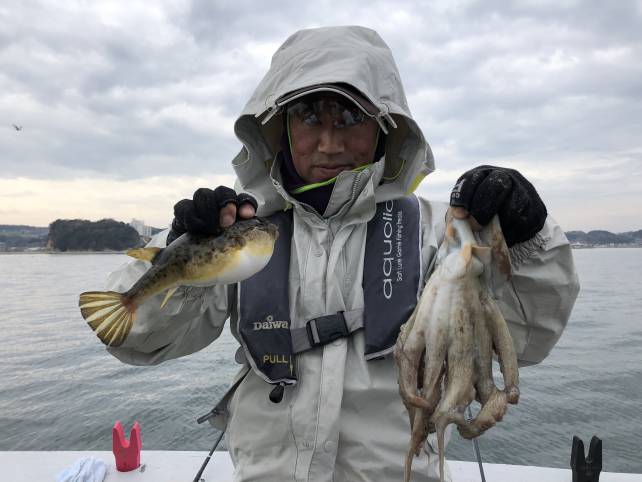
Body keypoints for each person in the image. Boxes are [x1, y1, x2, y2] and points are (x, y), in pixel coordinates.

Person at [104, 26, 579, 482]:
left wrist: (527, 239)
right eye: (309, 117)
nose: (330, 143)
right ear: (279, 128)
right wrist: (180, 249)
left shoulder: (439, 234)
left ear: (385, 128)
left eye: (351, 118)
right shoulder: (236, 235)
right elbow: (134, 340)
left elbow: (529, 340)